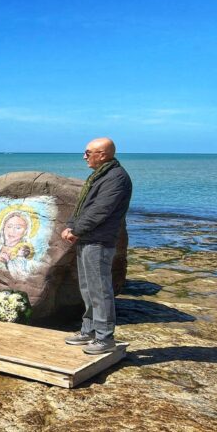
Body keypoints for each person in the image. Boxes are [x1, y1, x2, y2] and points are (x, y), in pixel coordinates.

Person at [62, 137, 133, 355]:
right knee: (87, 288)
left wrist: (76, 230)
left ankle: (104, 337)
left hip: (99, 241)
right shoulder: (100, 175)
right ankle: (89, 330)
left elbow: (100, 210)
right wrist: (71, 226)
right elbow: (83, 206)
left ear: (102, 155)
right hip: (88, 239)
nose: (84, 156)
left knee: (100, 290)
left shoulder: (116, 178)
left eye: (88, 152)